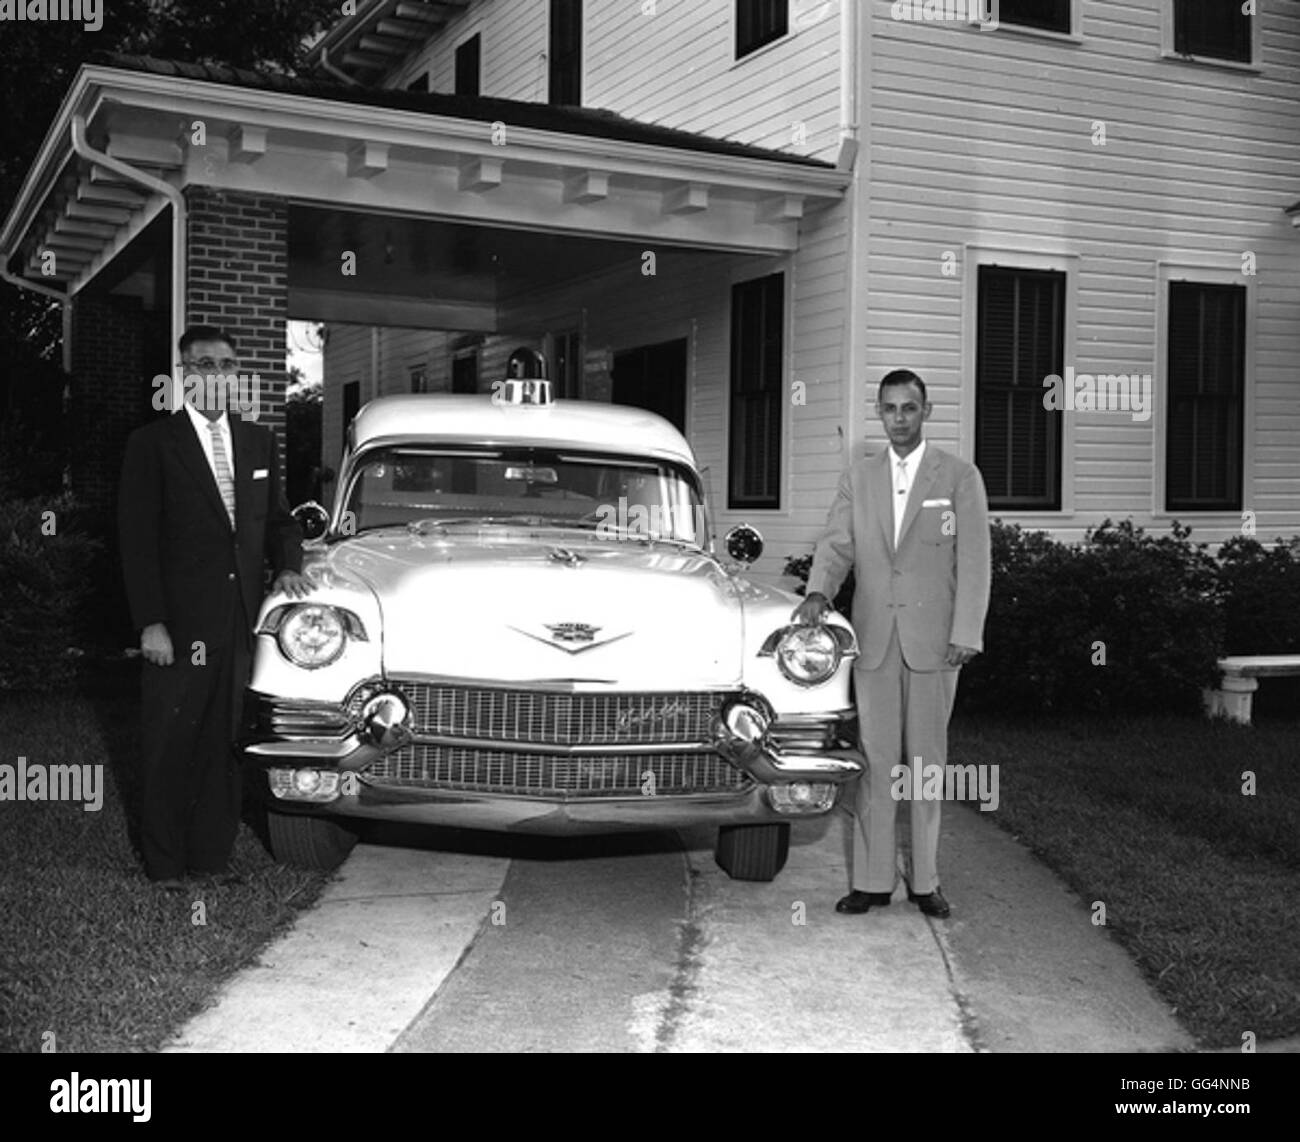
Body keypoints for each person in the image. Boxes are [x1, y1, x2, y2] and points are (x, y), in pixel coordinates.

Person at [118, 326, 313, 890]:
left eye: (226, 366)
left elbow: (276, 520)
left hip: (240, 620)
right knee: (170, 741)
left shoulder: (258, 442)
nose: (216, 375)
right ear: (183, 375)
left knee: (225, 742)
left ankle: (209, 859)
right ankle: (165, 866)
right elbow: (137, 539)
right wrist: (150, 621)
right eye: (203, 365)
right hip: (179, 625)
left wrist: (290, 564)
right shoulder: (153, 444)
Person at [793, 370, 990, 918]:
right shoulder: (860, 477)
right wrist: (817, 594)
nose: (899, 418)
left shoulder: (957, 477)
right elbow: (836, 543)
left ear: (925, 412)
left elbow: (974, 561)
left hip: (935, 644)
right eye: (889, 409)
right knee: (878, 764)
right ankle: (873, 881)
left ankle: (925, 881)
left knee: (925, 764)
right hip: (875, 642)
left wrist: (966, 632)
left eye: (909, 408)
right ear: (879, 413)